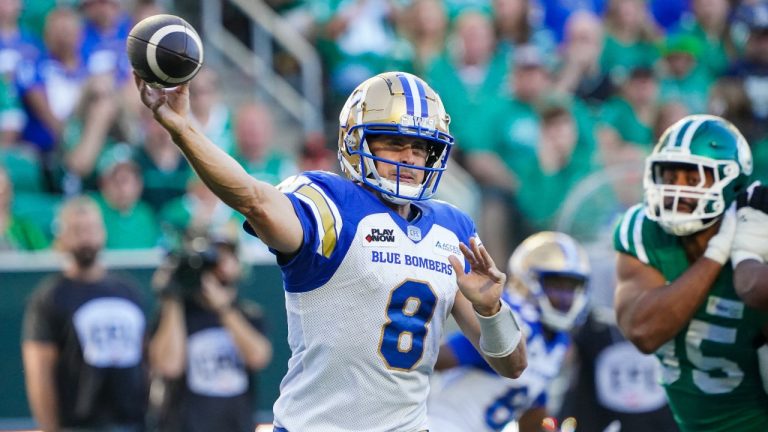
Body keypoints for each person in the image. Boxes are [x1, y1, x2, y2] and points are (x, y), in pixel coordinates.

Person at [135, 69, 527, 431]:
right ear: (357, 141)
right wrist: (184, 129)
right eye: (394, 143)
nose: (410, 158)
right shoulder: (331, 204)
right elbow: (254, 199)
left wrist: (490, 310)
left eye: (421, 147)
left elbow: (512, 365)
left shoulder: (452, 228)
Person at [613, 114, 768, 431]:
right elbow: (643, 332)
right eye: (670, 176)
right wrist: (716, 255)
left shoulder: (761, 232)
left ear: (732, 181)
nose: (677, 190)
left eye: (694, 178)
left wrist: (747, 258)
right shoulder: (644, 232)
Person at [428, 231, 590, 432]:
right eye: (556, 285)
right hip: (441, 423)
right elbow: (434, 359)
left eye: (571, 287)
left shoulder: (558, 341)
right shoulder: (513, 319)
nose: (565, 297)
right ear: (528, 281)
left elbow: (531, 410)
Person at [21, 196, 148, 432]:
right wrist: (50, 427)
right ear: (62, 237)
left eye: (91, 228)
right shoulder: (49, 297)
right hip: (79, 423)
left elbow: (146, 358)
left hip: (132, 421)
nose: (86, 237)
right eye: (77, 230)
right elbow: (39, 369)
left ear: (102, 232)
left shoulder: (129, 291)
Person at [148, 234, 272, 432]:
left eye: (225, 258)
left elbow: (258, 357)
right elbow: (169, 366)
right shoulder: (178, 314)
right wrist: (172, 296)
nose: (217, 268)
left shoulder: (248, 313)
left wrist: (224, 308)